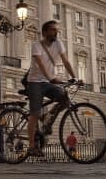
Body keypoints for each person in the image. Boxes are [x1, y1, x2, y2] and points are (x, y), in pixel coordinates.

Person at [26, 20, 77, 157]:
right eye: (53, 30)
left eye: (56, 30)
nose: (56, 32)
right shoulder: (36, 45)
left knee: (65, 100)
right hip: (35, 82)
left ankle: (48, 118)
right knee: (35, 114)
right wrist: (50, 78)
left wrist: (75, 77)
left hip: (48, 81)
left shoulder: (58, 44)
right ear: (45, 32)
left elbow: (65, 61)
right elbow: (40, 63)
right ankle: (31, 146)